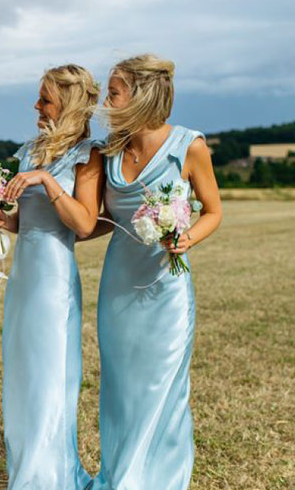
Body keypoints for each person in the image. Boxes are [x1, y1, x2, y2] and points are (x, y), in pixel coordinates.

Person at [91, 54, 222, 490]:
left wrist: (188, 238)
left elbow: (214, 211)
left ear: (141, 95)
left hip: (166, 288)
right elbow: (95, 222)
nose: (105, 100)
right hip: (118, 287)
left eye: (114, 91)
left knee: (163, 388)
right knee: (121, 391)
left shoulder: (190, 146)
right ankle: (120, 476)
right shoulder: (109, 150)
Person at [0, 64, 104, 490]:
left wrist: (46, 179)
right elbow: (17, 222)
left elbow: (83, 222)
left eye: (45, 99)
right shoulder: (29, 150)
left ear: (70, 104)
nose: (36, 106)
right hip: (23, 277)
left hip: (54, 281)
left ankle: (50, 478)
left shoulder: (88, 154)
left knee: (50, 378)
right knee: (22, 376)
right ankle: (26, 471)